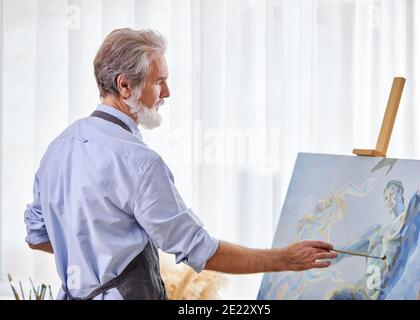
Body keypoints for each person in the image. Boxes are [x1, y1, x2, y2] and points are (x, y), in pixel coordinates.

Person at [23, 28, 337, 300]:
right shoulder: (139, 163)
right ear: (124, 86)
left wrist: (91, 250)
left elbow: (37, 236)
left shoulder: (59, 147)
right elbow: (200, 249)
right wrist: (284, 259)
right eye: (159, 82)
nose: (167, 93)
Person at [328, 161, 420, 299]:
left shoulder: (407, 222)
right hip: (359, 290)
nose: (388, 200)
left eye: (391, 194)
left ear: (400, 193)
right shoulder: (376, 231)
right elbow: (344, 251)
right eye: (386, 197)